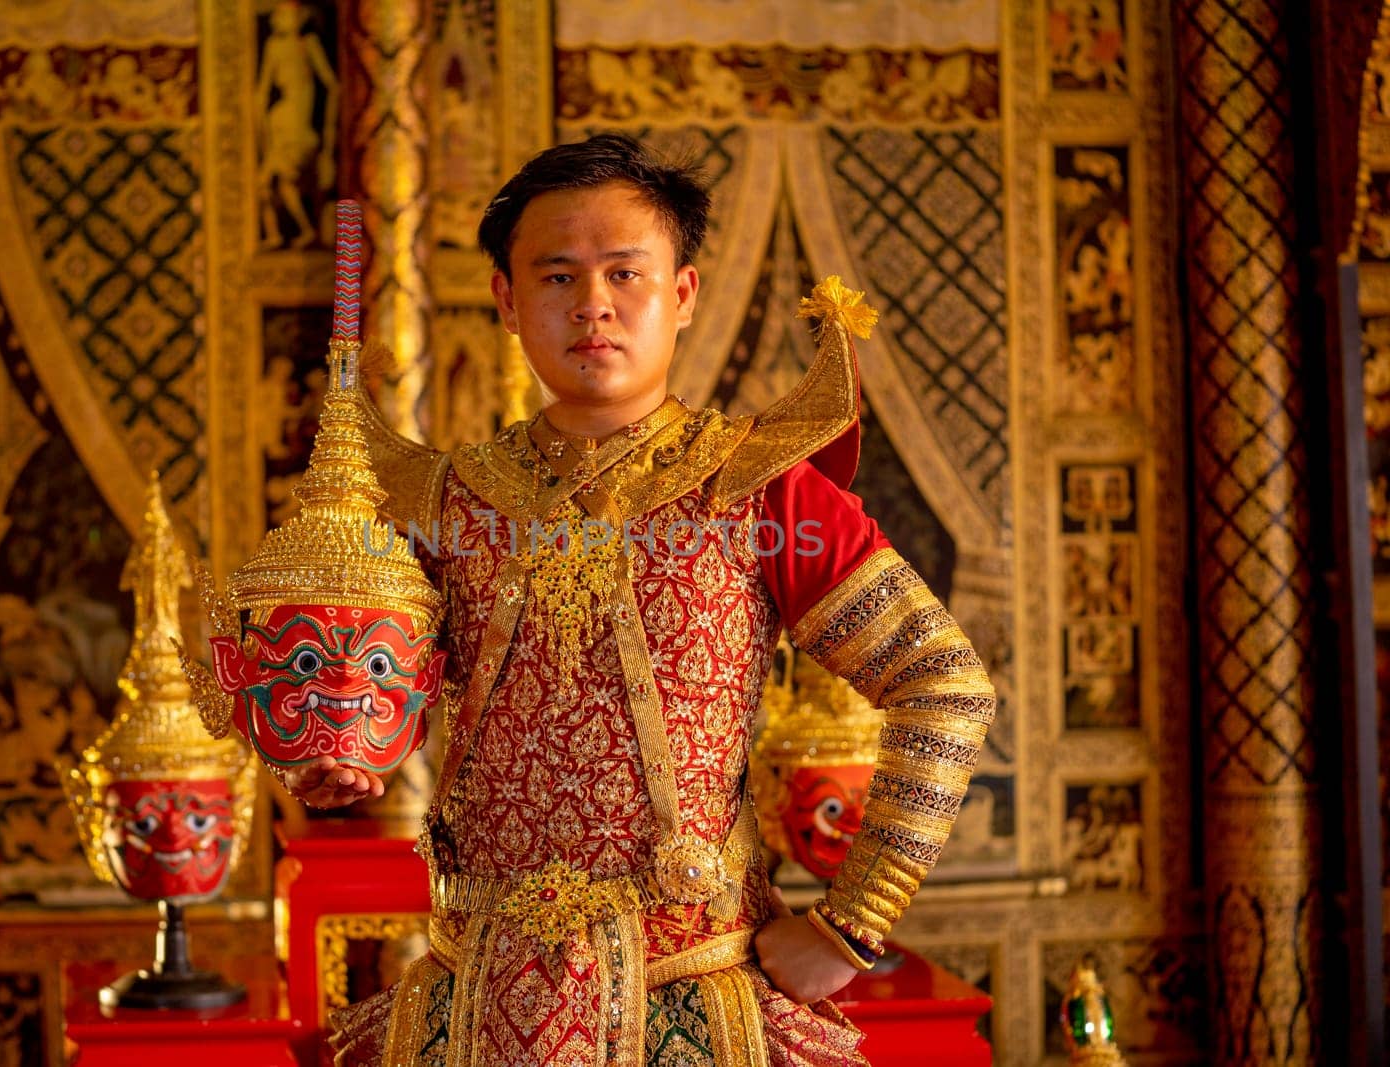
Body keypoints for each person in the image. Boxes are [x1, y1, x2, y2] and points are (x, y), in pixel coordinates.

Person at [284, 133, 996, 1065]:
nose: (594, 307)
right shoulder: (445, 503)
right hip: (478, 1005)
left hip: (697, 995)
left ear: (683, 293)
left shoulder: (759, 488)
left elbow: (944, 681)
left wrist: (850, 924)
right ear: (506, 298)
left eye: (627, 273)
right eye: (556, 277)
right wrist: (345, 750)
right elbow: (387, 699)